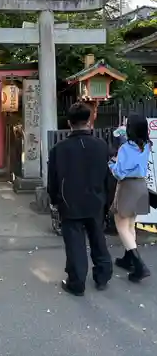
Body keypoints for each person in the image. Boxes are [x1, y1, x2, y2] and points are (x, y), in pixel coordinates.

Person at [47, 102, 113, 296]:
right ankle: (102, 276)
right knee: (98, 239)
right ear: (89, 120)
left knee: (75, 244)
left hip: (69, 202)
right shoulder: (101, 146)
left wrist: (54, 199)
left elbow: (53, 178)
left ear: (69, 123)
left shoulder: (59, 149)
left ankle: (76, 283)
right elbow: (108, 176)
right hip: (96, 201)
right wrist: (106, 201)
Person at [109, 113, 151, 282]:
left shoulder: (126, 148)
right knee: (131, 224)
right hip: (141, 186)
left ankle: (139, 266)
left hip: (128, 186)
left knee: (121, 225)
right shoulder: (147, 145)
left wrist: (111, 163)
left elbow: (119, 173)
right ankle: (128, 259)